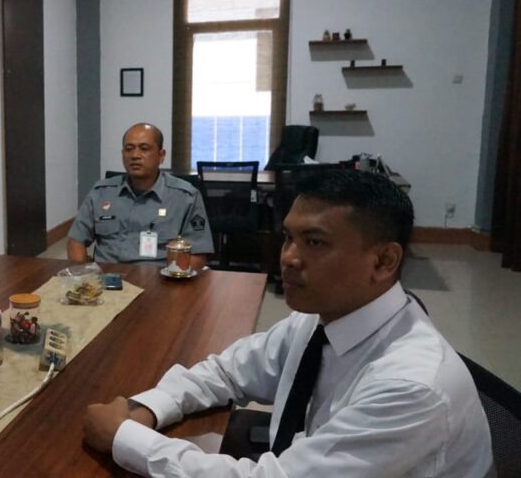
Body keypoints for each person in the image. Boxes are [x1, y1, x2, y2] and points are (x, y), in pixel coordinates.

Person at [82, 169, 493, 477]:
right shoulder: (321, 319)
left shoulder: (411, 386)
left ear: (384, 261)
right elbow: (228, 371)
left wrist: (125, 438)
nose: (288, 258)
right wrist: (149, 409)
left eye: (314, 242)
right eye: (287, 238)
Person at [67, 122, 213, 266]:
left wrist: (172, 279)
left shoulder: (186, 196)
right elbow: (76, 240)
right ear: (122, 154)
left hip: (158, 276)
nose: (135, 155)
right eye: (129, 149)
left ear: (161, 155)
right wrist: (83, 273)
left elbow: (198, 254)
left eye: (144, 148)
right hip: (107, 276)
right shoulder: (101, 192)